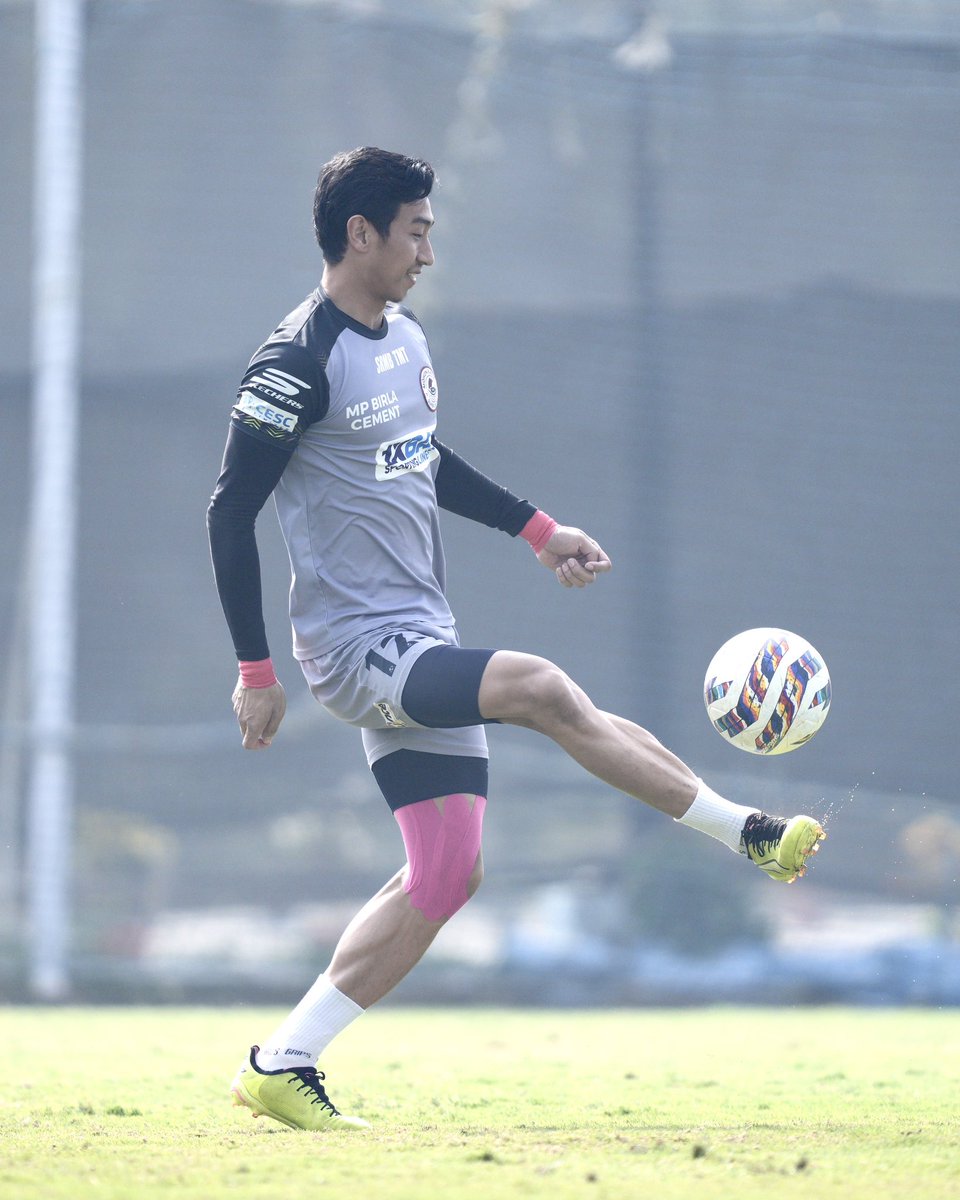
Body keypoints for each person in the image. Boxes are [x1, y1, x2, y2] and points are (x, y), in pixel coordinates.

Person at [207, 146, 825, 1133]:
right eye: (416, 230)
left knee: (447, 876)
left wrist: (538, 530)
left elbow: (420, 461)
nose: (428, 252)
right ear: (360, 234)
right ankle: (745, 831)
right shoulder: (292, 362)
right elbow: (229, 510)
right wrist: (254, 669)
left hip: (419, 633)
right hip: (357, 651)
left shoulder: (402, 337)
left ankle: (283, 1062)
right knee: (540, 687)